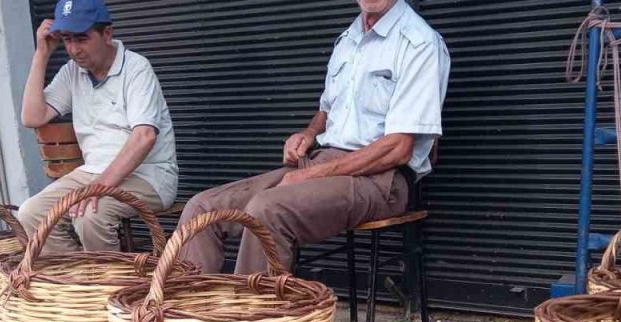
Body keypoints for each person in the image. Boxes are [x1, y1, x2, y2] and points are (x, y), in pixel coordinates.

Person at [178, 0, 450, 274]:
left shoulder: (419, 43)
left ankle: (253, 315)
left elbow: (398, 148)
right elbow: (328, 110)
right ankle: (187, 313)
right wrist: (308, 133)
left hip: (381, 179)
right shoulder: (348, 39)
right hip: (323, 163)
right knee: (202, 209)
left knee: (269, 209)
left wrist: (311, 175)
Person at [17, 0, 177, 254]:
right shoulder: (72, 72)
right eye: (67, 39)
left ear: (107, 34)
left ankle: (112, 286)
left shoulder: (136, 68)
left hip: (148, 176)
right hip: (92, 173)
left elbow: (144, 136)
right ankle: (78, 279)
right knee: (31, 213)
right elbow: (32, 117)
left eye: (81, 38)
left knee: (90, 215)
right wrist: (41, 54)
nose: (73, 49)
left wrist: (98, 187)